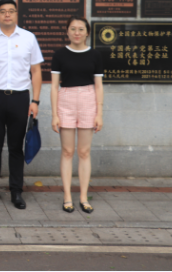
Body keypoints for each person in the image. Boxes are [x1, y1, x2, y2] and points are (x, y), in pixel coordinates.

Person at [0, 0, 43, 210]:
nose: (7, 14)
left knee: (16, 147)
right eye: (3, 11)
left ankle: (16, 191)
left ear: (16, 14)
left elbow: (36, 71)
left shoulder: (29, 38)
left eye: (11, 11)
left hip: (19, 98)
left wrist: (35, 100)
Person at [51, 16, 104, 214]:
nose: (77, 32)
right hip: (66, 99)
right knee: (67, 151)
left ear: (87, 32)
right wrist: (54, 114)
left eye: (81, 29)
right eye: (73, 29)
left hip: (89, 100)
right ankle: (67, 196)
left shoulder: (95, 55)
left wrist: (99, 113)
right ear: (67, 31)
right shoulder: (59, 55)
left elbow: (99, 86)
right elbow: (54, 86)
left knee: (84, 151)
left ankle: (83, 197)